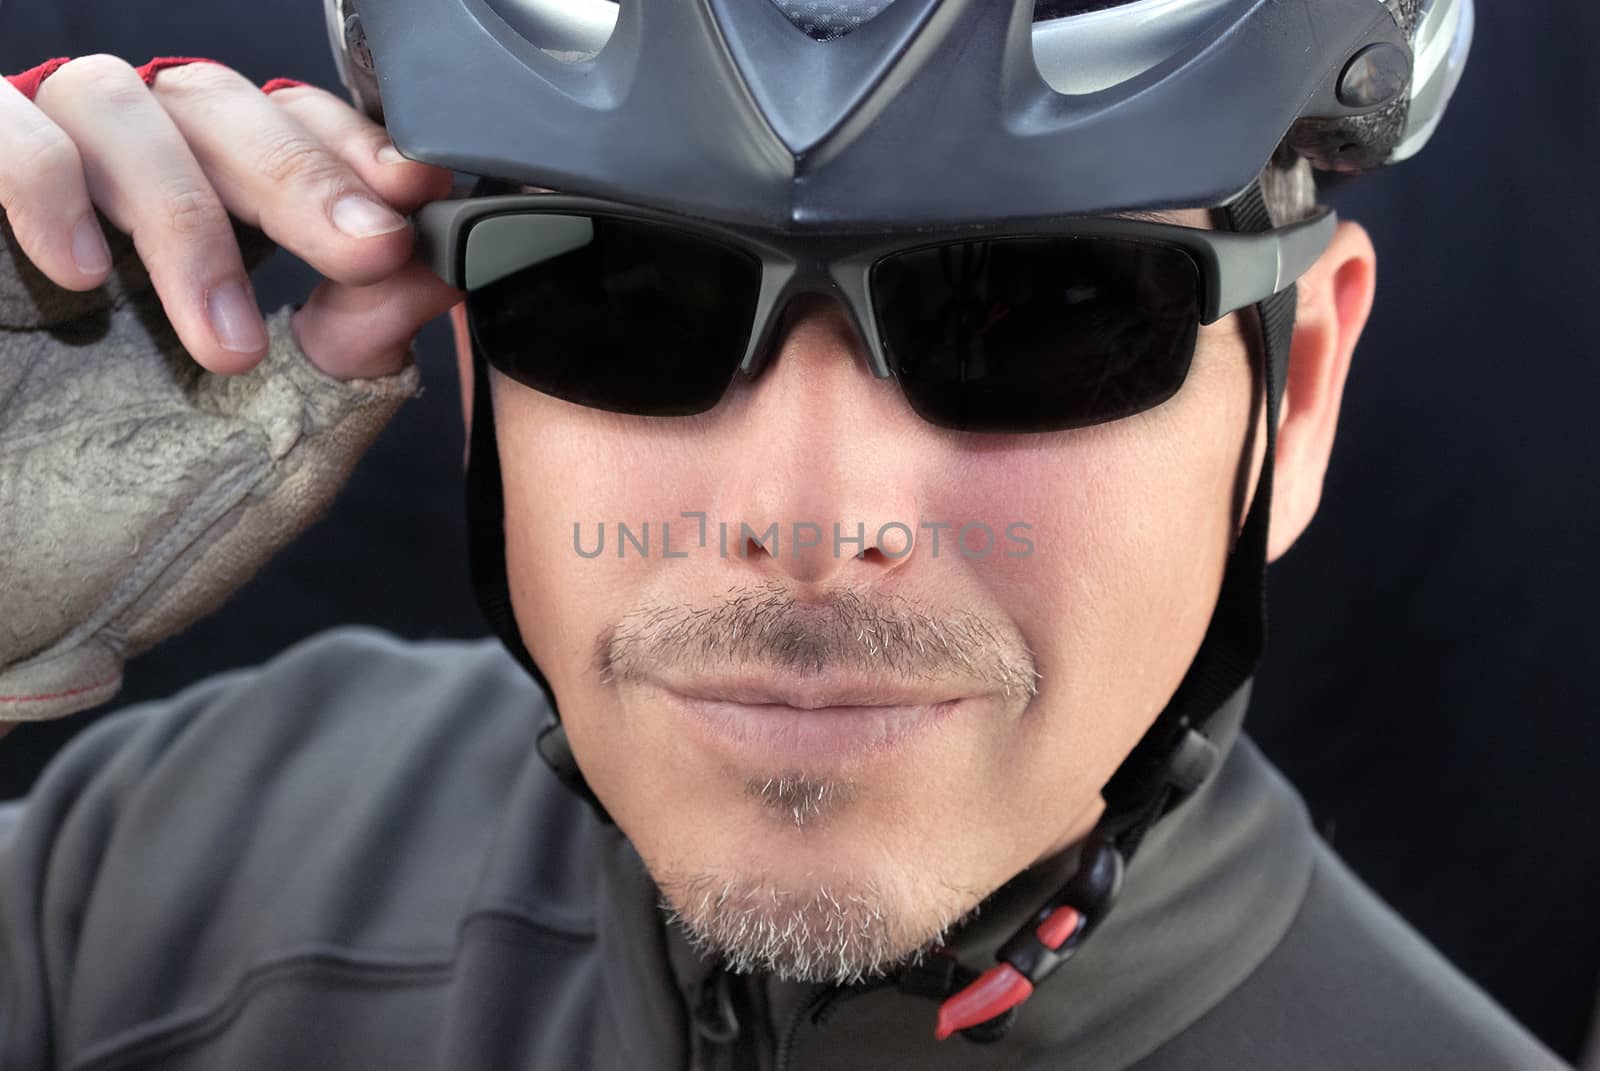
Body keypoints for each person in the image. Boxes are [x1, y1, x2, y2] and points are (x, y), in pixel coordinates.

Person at [0, 0, 1572, 1067]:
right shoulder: (172, 864)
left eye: (1036, 319)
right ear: (479, 367)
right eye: (619, 302)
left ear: (1293, 400)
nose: (810, 522)